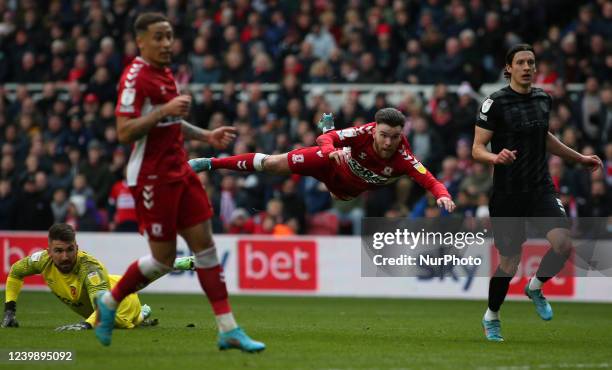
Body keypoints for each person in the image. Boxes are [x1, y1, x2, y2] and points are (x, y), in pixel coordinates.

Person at [94, 13, 264, 352]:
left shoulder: (166, 74)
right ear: (140, 41)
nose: (167, 43)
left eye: (169, 36)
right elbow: (124, 130)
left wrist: (207, 136)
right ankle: (110, 301)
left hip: (179, 170)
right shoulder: (134, 78)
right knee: (163, 261)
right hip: (151, 177)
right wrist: (164, 109)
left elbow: (172, 122)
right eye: (158, 37)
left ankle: (228, 329)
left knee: (206, 248)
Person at [472, 44, 603, 342]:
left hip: (540, 187)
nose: (528, 67)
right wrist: (495, 158)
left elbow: (543, 136)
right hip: (508, 193)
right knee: (508, 263)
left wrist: (578, 158)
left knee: (563, 244)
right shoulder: (494, 103)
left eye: (531, 62)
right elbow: (477, 149)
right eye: (521, 62)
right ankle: (491, 316)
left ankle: (535, 286)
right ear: (509, 68)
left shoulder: (543, 98)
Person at [190, 107, 456, 212]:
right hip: (330, 162)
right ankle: (210, 163)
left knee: (339, 189)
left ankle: (329, 126)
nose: (389, 142)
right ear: (374, 129)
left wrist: (443, 194)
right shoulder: (362, 133)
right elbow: (323, 143)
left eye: (395, 137)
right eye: (384, 135)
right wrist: (331, 151)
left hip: (344, 191)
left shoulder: (404, 157)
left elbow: (430, 180)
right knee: (271, 164)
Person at [1, 223, 194, 331]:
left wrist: (84, 325)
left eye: (70, 250)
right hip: (108, 283)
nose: (65, 256)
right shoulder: (41, 260)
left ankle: (142, 311)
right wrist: (10, 311)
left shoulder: (89, 267)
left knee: (119, 322)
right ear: (49, 251)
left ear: (77, 247)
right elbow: (16, 272)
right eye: (58, 251)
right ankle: (145, 309)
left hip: (121, 303)